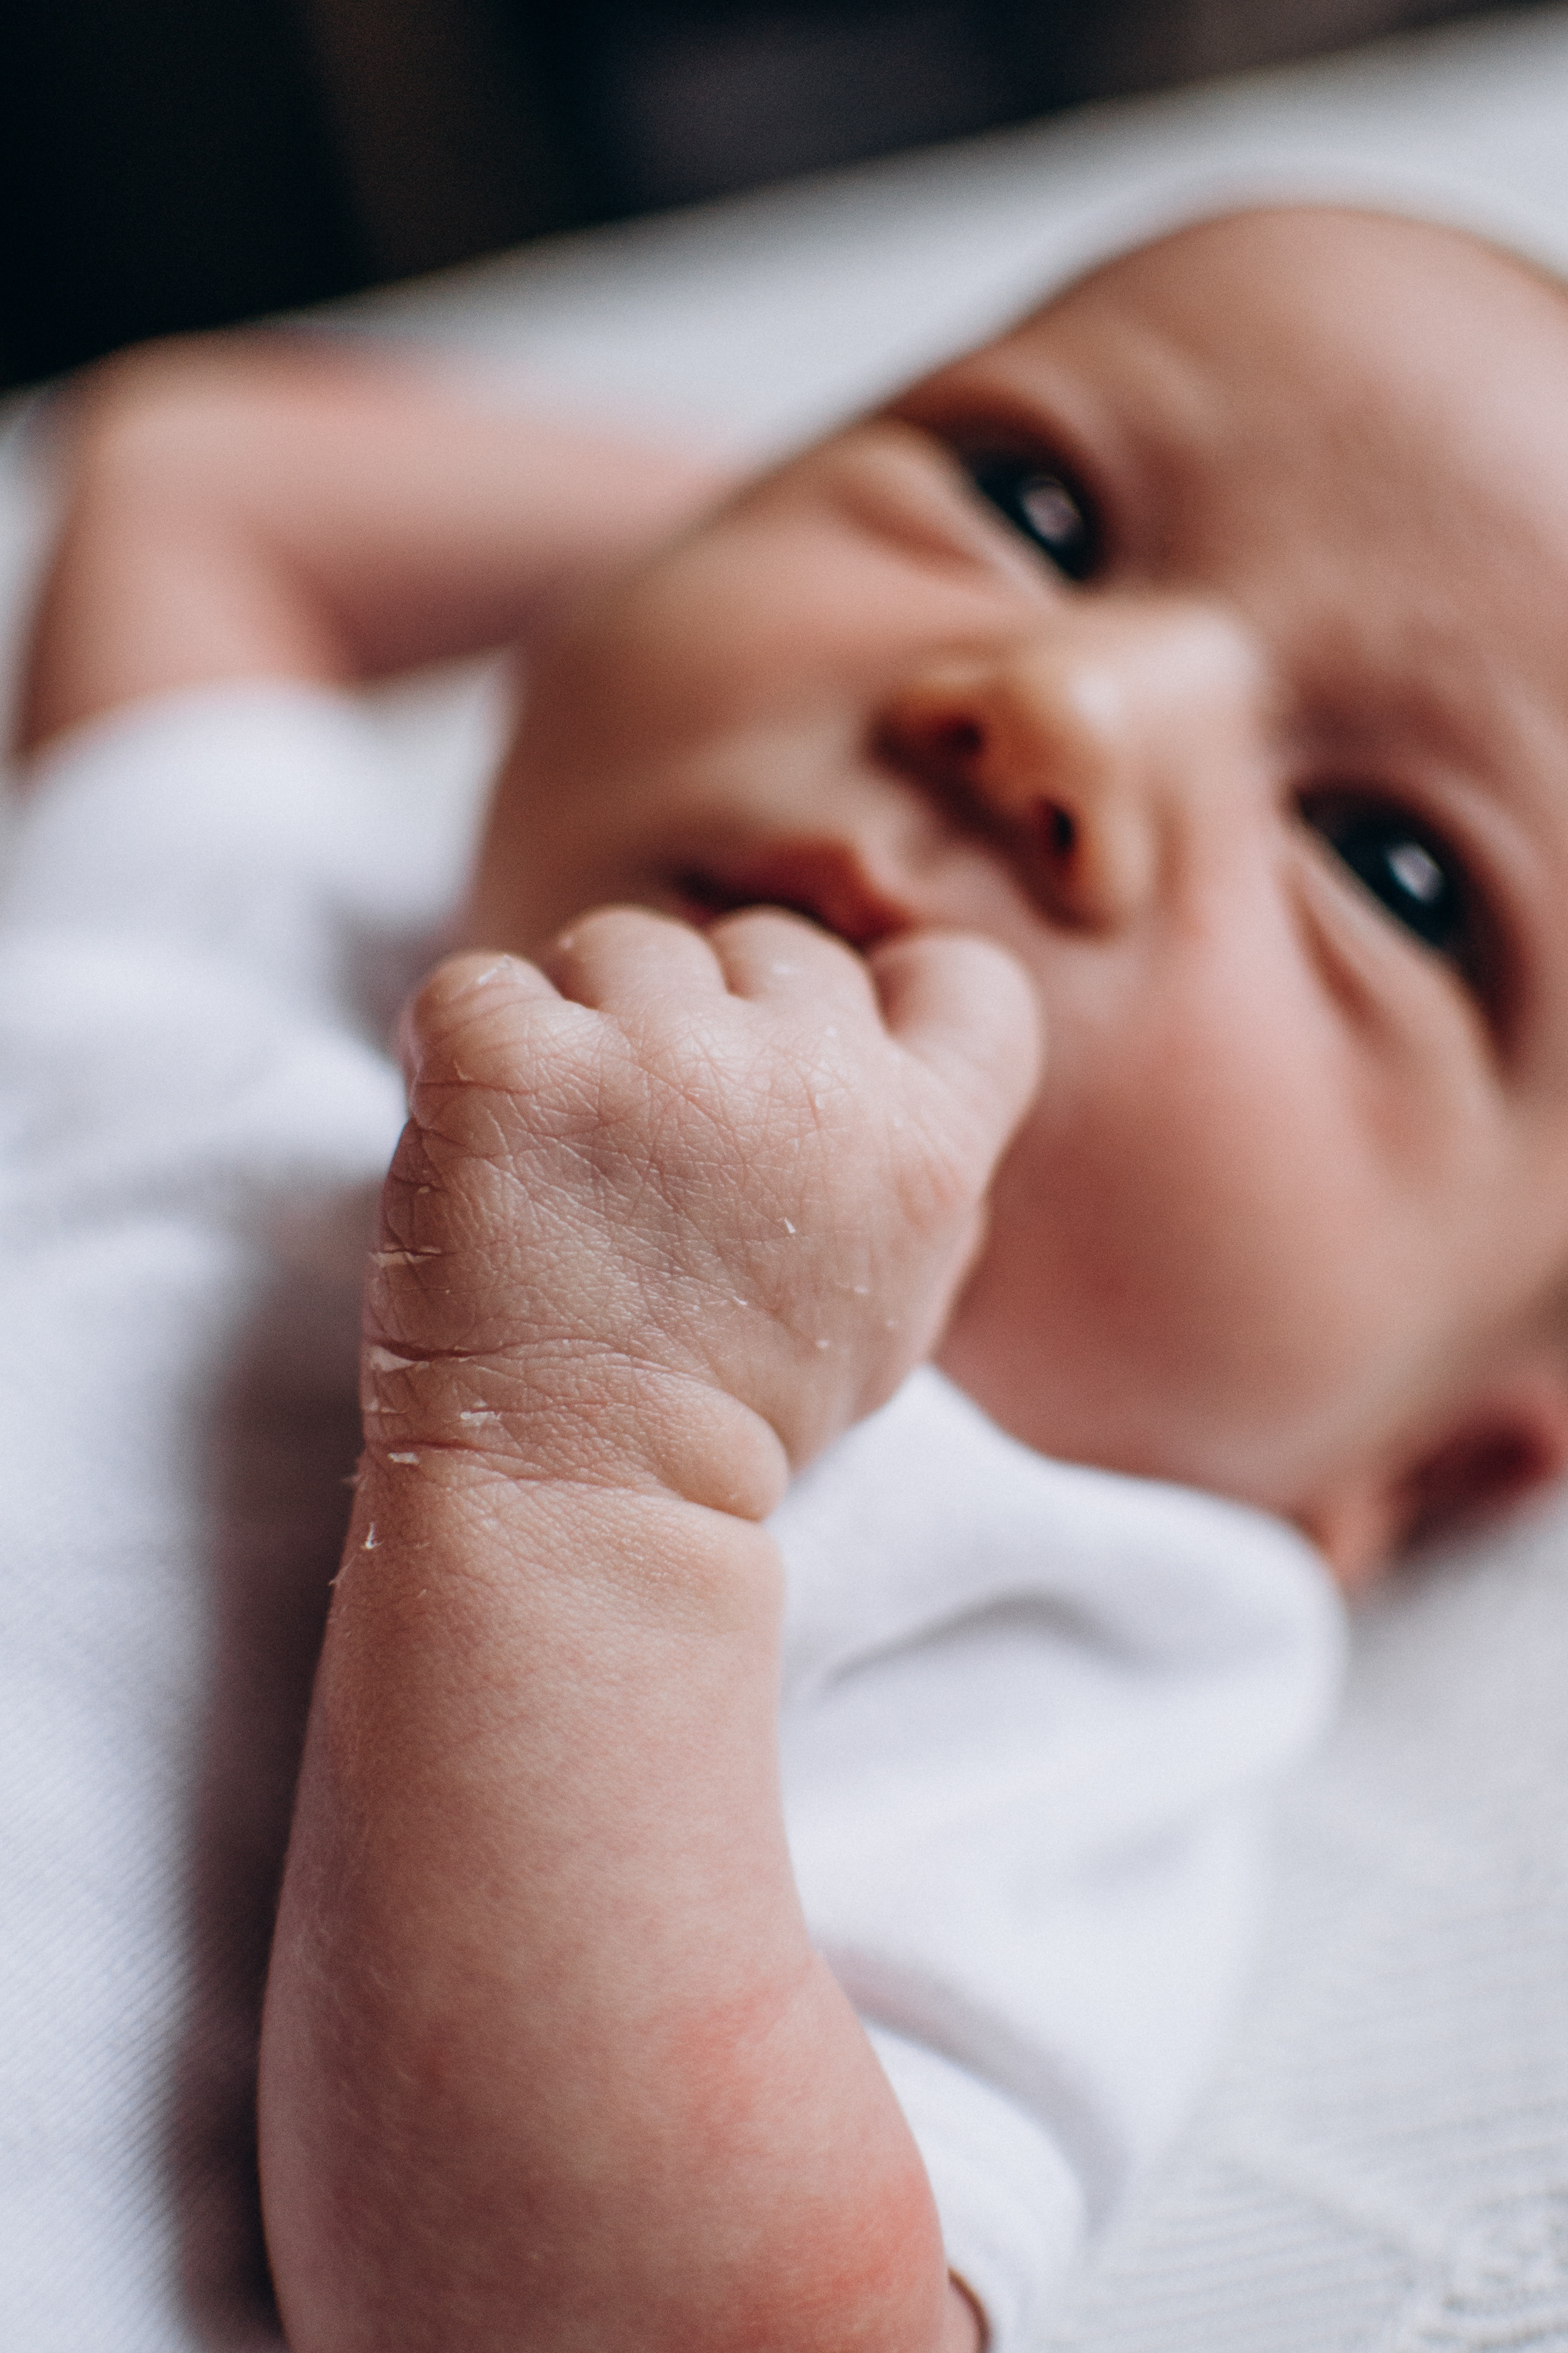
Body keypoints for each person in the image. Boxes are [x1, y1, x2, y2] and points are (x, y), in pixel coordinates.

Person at [13, 202, 1568, 2352]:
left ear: (1427, 1458)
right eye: (1031, 503)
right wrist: (754, 563)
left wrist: (599, 1461)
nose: (1056, 709)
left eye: (1392, 867)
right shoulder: (270, 910)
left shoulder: (1079, 1621)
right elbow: (201, 466)